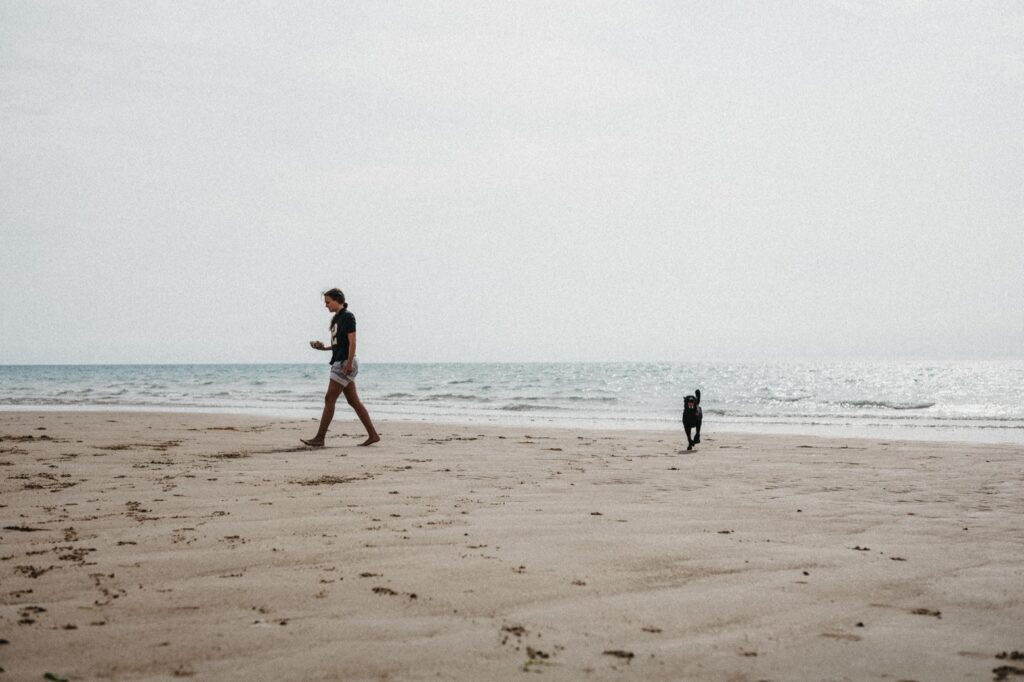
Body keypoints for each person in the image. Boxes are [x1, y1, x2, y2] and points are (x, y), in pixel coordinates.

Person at [302, 288, 380, 447]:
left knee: (329, 399)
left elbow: (352, 342)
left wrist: (349, 363)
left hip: (344, 363)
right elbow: (340, 345)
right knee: (354, 401)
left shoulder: (348, 317)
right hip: (341, 361)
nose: (326, 306)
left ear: (338, 300)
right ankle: (373, 435)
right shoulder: (337, 319)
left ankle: (319, 438)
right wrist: (322, 348)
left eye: (328, 302)